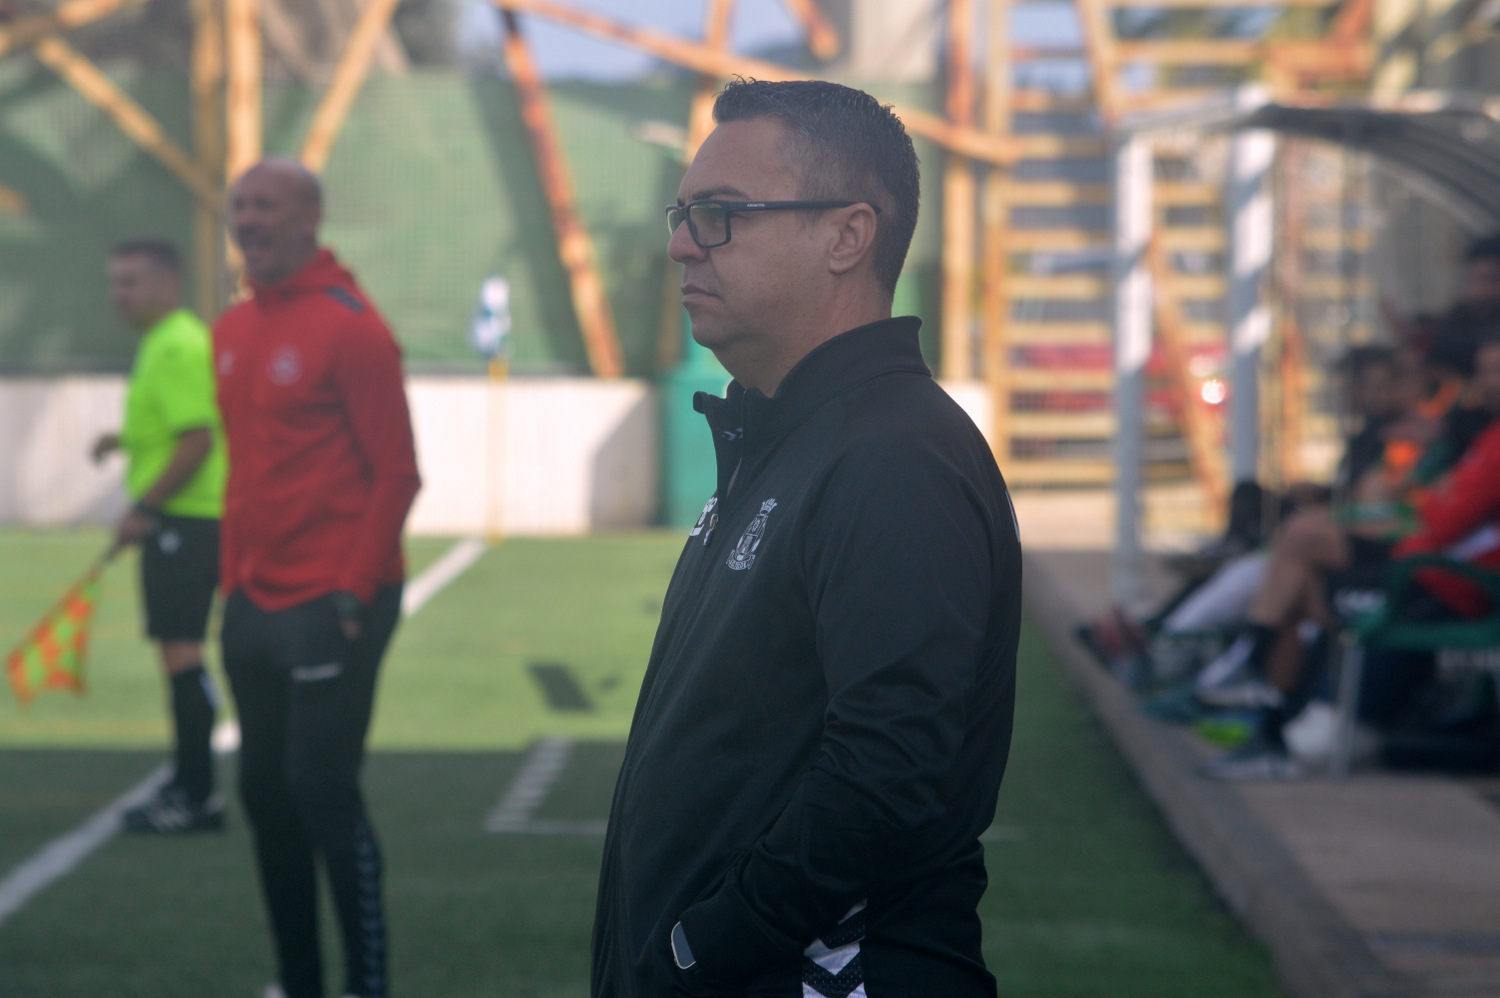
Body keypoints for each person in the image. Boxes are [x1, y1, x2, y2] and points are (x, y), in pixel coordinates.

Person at [591, 80, 1022, 998]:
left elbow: (889, 773)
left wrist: (703, 945)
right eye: (684, 213)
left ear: (846, 236)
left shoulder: (896, 455)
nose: (679, 244)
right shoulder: (786, 438)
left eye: (719, 216)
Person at [215, 157, 420, 998]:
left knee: (322, 791)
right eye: (240, 205)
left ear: (309, 220)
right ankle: (299, 980)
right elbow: (250, 470)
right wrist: (232, 581)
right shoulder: (231, 329)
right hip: (253, 599)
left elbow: (397, 473)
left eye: (267, 205)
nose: (249, 219)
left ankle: (366, 983)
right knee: (263, 793)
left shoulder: (353, 326)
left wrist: (351, 592)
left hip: (334, 599)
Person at [91, 238, 227, 833]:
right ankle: (188, 783)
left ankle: (195, 794)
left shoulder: (174, 346)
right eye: (115, 281)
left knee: (181, 654)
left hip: (185, 520)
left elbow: (197, 438)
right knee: (179, 654)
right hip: (184, 519)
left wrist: (143, 508)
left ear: (168, 285)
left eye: (132, 282)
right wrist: (120, 442)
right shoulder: (164, 343)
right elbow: (173, 427)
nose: (119, 294)